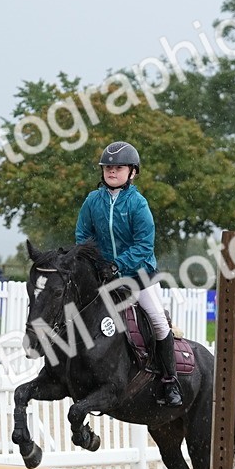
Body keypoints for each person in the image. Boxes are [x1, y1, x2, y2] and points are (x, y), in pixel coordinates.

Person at [74, 141, 182, 407]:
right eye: (108, 168)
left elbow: (144, 246)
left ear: (132, 172)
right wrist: (96, 264)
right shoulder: (92, 201)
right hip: (103, 275)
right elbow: (83, 236)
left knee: (158, 321)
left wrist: (117, 265)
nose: (112, 171)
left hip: (138, 275)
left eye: (119, 168)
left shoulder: (138, 204)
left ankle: (170, 380)